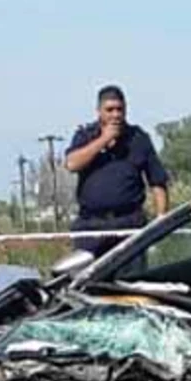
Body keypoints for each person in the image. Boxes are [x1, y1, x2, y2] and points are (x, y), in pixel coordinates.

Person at [65, 84, 169, 256]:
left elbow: (158, 182)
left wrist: (160, 221)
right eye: (110, 110)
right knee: (87, 280)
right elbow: (72, 164)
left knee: (131, 279)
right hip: (91, 227)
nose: (116, 115)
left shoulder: (138, 138)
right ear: (99, 111)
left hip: (129, 224)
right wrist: (104, 139)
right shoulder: (85, 135)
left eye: (120, 109)